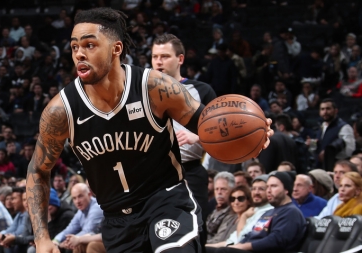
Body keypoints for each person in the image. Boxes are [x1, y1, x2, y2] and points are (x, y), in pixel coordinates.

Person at [25, 8, 273, 253]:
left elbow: (208, 126)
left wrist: (251, 135)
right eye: (74, 47)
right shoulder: (61, 110)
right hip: (117, 220)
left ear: (116, 48)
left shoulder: (154, 87)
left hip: (165, 202)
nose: (79, 54)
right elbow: (38, 169)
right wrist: (42, 237)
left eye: (90, 45)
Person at [151, 33, 217, 249]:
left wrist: (197, 136)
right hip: (153, 174)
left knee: (195, 228)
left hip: (189, 171)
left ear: (180, 59)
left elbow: (221, 133)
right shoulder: (140, 92)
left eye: (165, 56)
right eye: (155, 56)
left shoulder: (202, 90)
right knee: (155, 231)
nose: (158, 61)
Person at [205, 172, 306, 253]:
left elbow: (275, 241)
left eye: (274, 186)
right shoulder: (269, 212)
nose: (269, 191)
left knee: (223, 251)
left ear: (286, 190)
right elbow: (252, 234)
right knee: (204, 250)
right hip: (251, 249)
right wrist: (237, 245)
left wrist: (242, 247)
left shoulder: (291, 212)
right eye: (268, 187)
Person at [206, 175, 273, 248]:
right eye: (253, 189)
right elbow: (230, 241)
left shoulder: (269, 212)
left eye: (261, 189)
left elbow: (241, 239)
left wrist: (244, 217)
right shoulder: (252, 211)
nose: (256, 192)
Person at [52, 183, 103, 250]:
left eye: (80, 196)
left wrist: (70, 241)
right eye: (74, 198)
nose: (77, 201)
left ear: (89, 195)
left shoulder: (96, 207)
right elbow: (70, 229)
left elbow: (88, 231)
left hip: (106, 241)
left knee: (82, 245)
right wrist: (56, 240)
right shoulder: (81, 211)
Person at [315, 98, 355, 170]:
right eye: (322, 109)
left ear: (335, 111)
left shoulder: (344, 127)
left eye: (328, 109)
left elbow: (349, 151)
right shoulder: (321, 127)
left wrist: (329, 152)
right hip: (321, 167)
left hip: (337, 167)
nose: (325, 112)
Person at [206, 172, 235, 244]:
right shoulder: (215, 209)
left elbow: (219, 240)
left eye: (223, 189)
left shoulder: (233, 212)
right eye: (216, 189)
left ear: (232, 190)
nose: (219, 192)